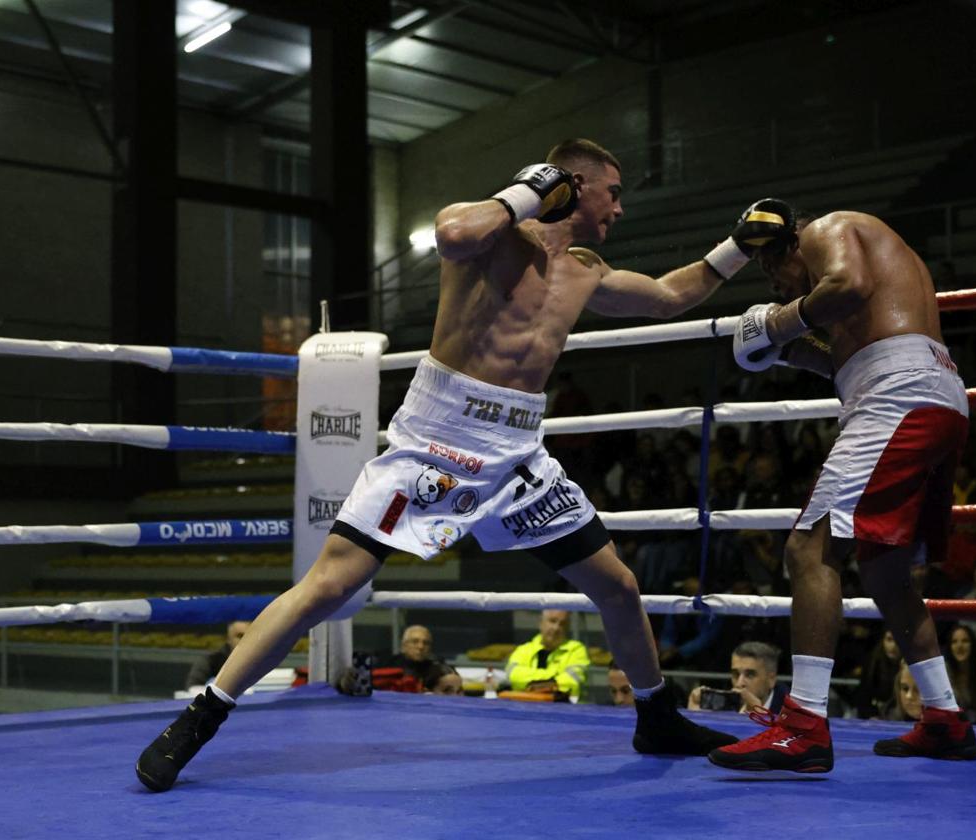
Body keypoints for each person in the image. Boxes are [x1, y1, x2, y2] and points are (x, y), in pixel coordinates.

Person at [137, 138, 748, 792]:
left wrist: (740, 245)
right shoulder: (490, 234)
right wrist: (533, 190)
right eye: (614, 191)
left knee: (619, 586)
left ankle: (655, 716)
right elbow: (453, 230)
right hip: (438, 438)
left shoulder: (585, 267)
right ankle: (200, 718)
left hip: (516, 454)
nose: (621, 208)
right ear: (573, 183)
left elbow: (666, 295)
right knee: (327, 586)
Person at [707, 204, 976, 774]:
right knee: (883, 569)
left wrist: (778, 322)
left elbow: (847, 285)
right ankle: (944, 719)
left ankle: (803, 726)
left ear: (788, 243)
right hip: (929, 395)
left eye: (771, 271)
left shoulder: (829, 230)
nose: (776, 286)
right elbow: (846, 361)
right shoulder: (857, 276)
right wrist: (782, 345)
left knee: (809, 547)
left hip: (898, 396)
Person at [505, 609, 590, 699]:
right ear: (541, 622)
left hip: (564, 708)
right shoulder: (524, 649)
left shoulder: (576, 649)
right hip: (525, 708)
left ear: (568, 627)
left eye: (563, 624)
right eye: (552, 621)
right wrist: (554, 678)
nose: (556, 627)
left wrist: (532, 685)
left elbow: (572, 681)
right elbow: (513, 676)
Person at [686, 642, 788, 715]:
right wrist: (696, 718)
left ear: (771, 680)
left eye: (750, 675)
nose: (739, 683)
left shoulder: (792, 712)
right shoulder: (725, 703)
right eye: (735, 674)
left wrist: (760, 720)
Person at [183, 621, 250, 691]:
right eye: (240, 636)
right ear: (228, 639)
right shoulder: (211, 660)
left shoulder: (260, 660)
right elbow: (193, 688)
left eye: (248, 636)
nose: (244, 639)